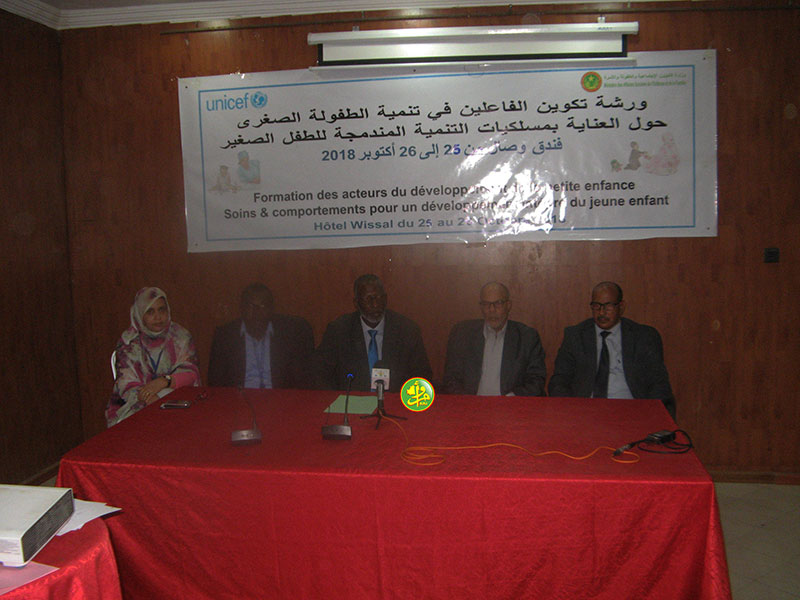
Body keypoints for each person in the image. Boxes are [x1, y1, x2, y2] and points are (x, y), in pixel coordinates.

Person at [548, 281, 676, 418]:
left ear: (621, 307)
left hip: (631, 411)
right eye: (596, 306)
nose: (601, 312)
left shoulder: (643, 337)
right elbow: (559, 380)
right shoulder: (575, 336)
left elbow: (658, 383)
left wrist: (649, 415)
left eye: (608, 306)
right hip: (585, 412)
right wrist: (571, 409)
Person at [311, 274, 432, 392]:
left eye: (380, 298)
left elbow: (422, 375)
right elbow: (320, 372)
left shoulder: (407, 330)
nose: (375, 304)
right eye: (369, 299)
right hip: (351, 401)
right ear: (356, 303)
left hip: (395, 401)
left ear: (386, 299)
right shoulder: (339, 330)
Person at [106, 287, 200, 427]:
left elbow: (191, 373)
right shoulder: (129, 343)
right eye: (150, 312)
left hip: (177, 401)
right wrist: (151, 399)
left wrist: (164, 382)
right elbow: (126, 384)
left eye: (162, 310)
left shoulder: (180, 337)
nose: (158, 317)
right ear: (140, 314)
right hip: (134, 404)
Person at [442, 282, 546, 396]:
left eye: (498, 303)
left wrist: (512, 399)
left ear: (508, 305)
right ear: (481, 307)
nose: (492, 310)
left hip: (511, 403)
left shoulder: (527, 337)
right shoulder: (462, 334)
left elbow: (536, 381)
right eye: (486, 304)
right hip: (471, 403)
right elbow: (450, 379)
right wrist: (469, 402)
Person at [207, 283, 314, 389]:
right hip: (239, 396)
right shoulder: (224, 337)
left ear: (271, 309)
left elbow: (302, 380)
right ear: (242, 308)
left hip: (278, 396)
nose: (256, 312)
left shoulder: (289, 335)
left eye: (263, 306)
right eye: (250, 306)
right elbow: (215, 382)